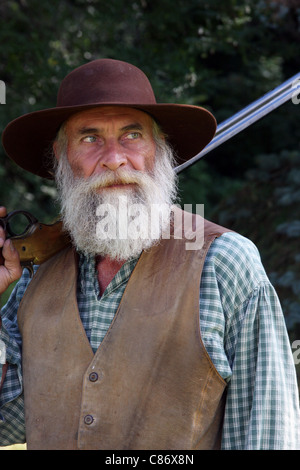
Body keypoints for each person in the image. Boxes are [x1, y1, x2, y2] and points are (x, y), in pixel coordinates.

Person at [0, 58, 299, 450]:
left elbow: (268, 438)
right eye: (89, 139)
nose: (114, 158)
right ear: (60, 156)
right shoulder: (35, 275)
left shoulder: (225, 263)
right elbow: (8, 425)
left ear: (159, 151)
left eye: (132, 135)